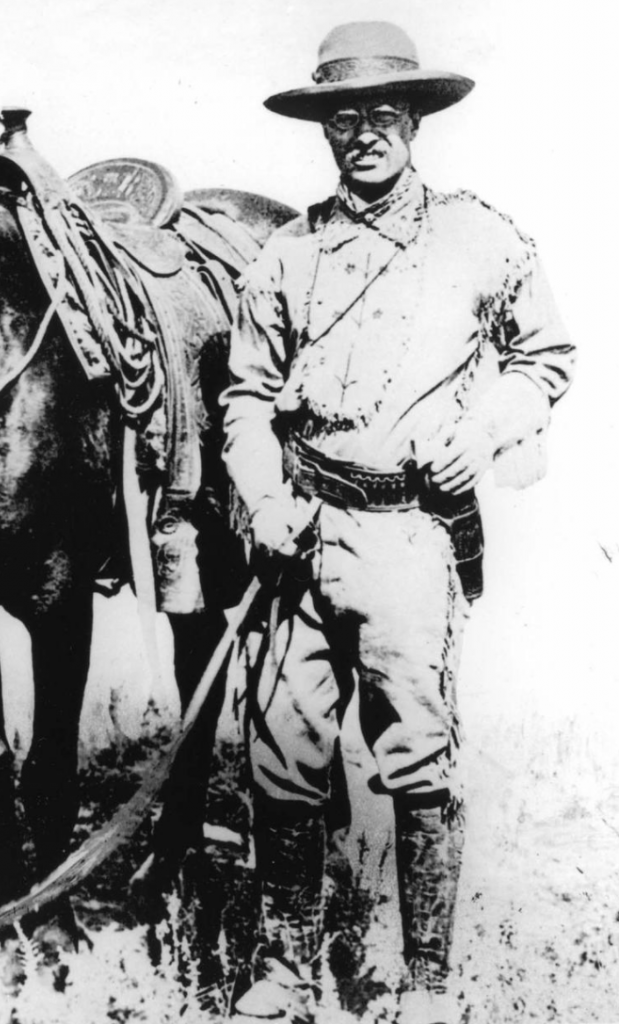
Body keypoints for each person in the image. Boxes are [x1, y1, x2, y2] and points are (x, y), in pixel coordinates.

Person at [221, 21, 574, 1024]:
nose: (363, 134)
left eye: (382, 114)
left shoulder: (478, 238)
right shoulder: (287, 253)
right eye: (343, 119)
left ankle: (425, 985)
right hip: (304, 531)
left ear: (414, 121)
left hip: (409, 537)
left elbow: (545, 357)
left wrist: (487, 428)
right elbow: (245, 396)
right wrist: (265, 499)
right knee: (283, 754)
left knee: (417, 759)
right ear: (323, 131)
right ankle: (285, 970)